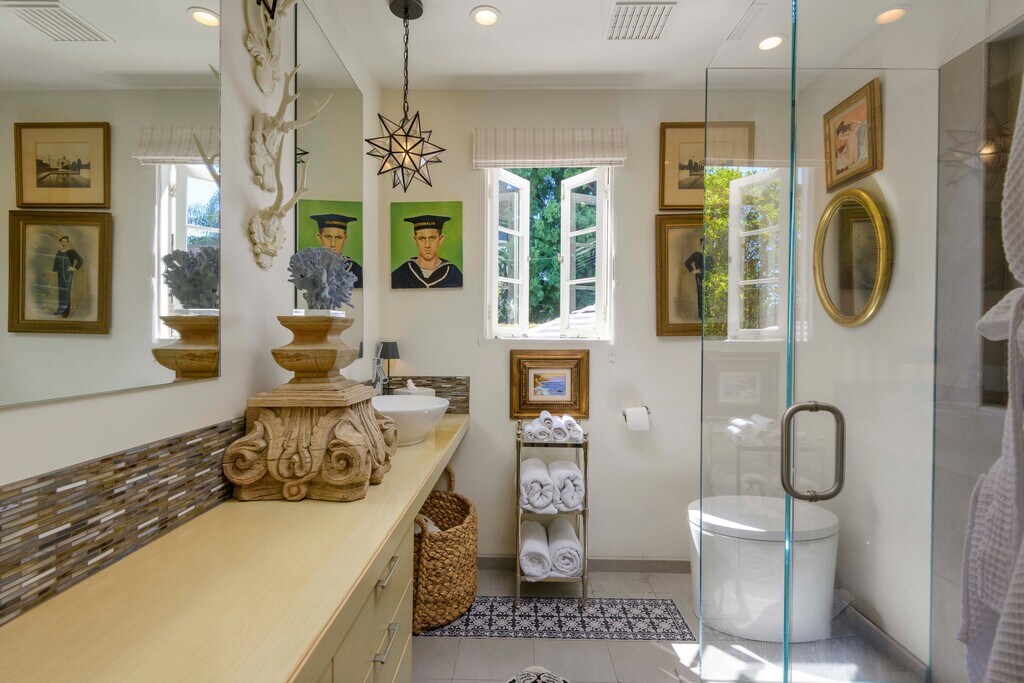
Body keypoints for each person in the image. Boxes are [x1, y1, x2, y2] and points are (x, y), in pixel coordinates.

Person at [391, 214, 463, 289]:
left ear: (440, 239)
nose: (427, 245)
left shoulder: (453, 274)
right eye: (422, 238)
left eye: (432, 238)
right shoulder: (400, 274)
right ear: (415, 240)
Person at [311, 213, 363, 288]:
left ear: (345, 239)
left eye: (338, 237)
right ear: (319, 238)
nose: (333, 244)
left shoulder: (357, 271)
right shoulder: (308, 268)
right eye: (328, 237)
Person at [52, 235, 83, 318]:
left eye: (65, 241)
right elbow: (56, 262)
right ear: (60, 242)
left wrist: (75, 268)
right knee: (61, 292)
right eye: (62, 242)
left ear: (68, 242)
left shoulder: (71, 251)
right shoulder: (59, 251)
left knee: (66, 292)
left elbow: (81, 260)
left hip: (67, 275)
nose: (63, 243)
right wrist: (54, 271)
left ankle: (66, 312)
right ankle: (60, 310)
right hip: (60, 275)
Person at [684, 238, 711, 321]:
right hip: (699, 278)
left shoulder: (708, 256)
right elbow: (687, 263)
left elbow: (712, 267)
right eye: (703, 244)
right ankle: (701, 314)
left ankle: (707, 312)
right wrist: (693, 271)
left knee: (707, 295)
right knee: (701, 295)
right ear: (701, 244)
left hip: (707, 278)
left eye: (706, 244)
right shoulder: (697, 254)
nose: (705, 246)